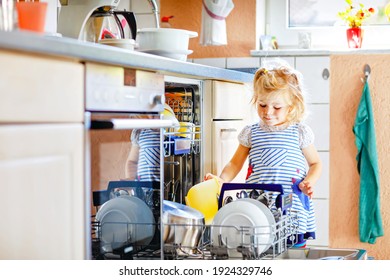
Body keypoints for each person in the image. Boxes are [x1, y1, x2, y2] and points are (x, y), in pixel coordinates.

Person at [205, 64, 322, 247]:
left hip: (292, 208)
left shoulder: (299, 132)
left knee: (293, 254)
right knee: (259, 249)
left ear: (291, 106)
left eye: (277, 107)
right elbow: (235, 164)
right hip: (258, 207)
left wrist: (309, 182)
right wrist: (220, 181)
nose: (268, 112)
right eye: (262, 105)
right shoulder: (251, 133)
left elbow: (315, 163)